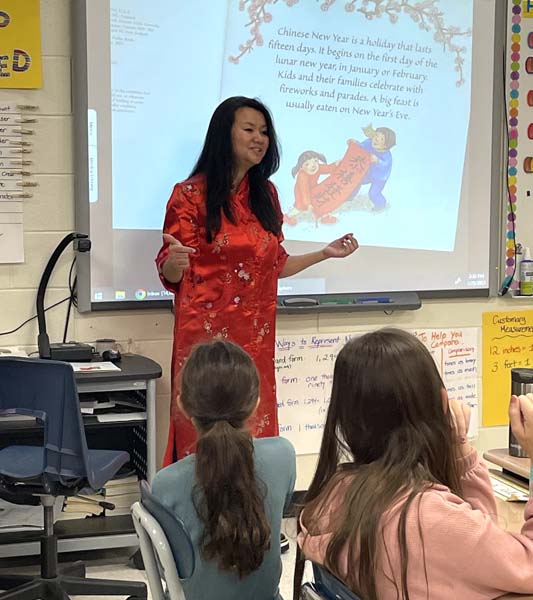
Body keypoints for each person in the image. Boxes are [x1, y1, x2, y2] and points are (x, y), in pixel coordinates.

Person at [155, 96, 358, 463]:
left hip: (255, 342)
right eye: (248, 129)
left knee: (254, 442)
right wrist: (176, 261)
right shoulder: (188, 196)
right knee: (203, 442)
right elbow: (171, 273)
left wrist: (324, 254)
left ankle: (251, 516)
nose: (259, 139)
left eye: (264, 131)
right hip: (205, 343)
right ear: (223, 135)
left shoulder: (266, 194)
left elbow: (275, 265)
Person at [296, 328, 533, 600]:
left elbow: (481, 552)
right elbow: (523, 566)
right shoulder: (427, 517)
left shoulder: (335, 491)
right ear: (443, 401)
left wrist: (459, 450)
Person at [151, 339, 296, 600]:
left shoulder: (166, 482)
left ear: (183, 405)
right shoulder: (283, 455)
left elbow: (169, 570)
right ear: (255, 403)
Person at [349, 124, 396, 211]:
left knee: (373, 193)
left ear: (386, 146)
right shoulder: (369, 142)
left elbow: (385, 165)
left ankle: (381, 205)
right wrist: (355, 143)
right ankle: (349, 197)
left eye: (381, 139)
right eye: (376, 135)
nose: (376, 139)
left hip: (379, 177)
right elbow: (361, 148)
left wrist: (377, 161)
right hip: (367, 172)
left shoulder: (387, 156)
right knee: (355, 181)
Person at [284, 150, 337, 225]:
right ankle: (287, 217)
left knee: (321, 201)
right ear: (301, 167)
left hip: (314, 188)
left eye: (315, 161)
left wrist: (336, 164)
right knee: (300, 207)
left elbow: (328, 168)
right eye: (307, 164)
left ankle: (324, 217)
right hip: (301, 192)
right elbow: (304, 191)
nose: (313, 165)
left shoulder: (318, 168)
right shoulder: (302, 176)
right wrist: (308, 204)